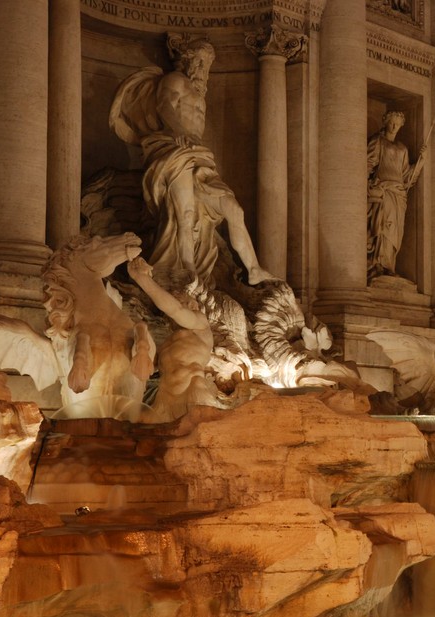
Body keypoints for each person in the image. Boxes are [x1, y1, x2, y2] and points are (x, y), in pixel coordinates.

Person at [110, 35, 275, 286]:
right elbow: (165, 105)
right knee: (184, 214)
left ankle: (253, 268)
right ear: (186, 61)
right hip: (173, 149)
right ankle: (188, 272)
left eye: (206, 63)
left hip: (198, 155)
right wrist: (177, 131)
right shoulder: (175, 80)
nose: (202, 68)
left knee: (233, 209)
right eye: (199, 61)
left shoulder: (200, 94)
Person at [127, 257, 220, 422]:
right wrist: (140, 334)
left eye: (184, 302)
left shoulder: (200, 325)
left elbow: (175, 310)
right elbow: (147, 368)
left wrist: (142, 278)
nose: (169, 309)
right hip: (165, 400)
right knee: (136, 424)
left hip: (193, 393)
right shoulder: (166, 344)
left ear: (193, 306)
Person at [366, 111, 427, 280]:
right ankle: (377, 263)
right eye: (392, 123)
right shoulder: (378, 142)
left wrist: (421, 161)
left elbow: (407, 177)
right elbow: (367, 164)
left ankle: (388, 264)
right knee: (383, 227)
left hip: (398, 194)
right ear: (385, 122)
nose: (394, 127)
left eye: (397, 124)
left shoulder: (402, 149)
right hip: (383, 191)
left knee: (394, 232)